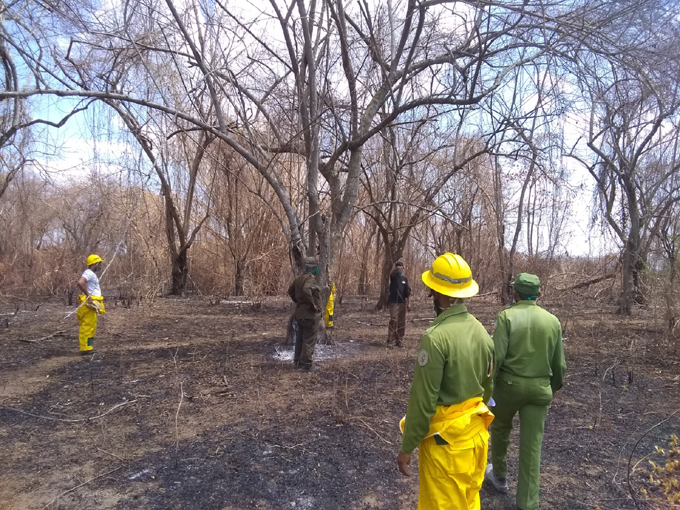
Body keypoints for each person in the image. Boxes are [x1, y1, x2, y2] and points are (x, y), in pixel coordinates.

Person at [397, 253, 494, 510]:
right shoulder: (482, 331)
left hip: (446, 449)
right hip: (476, 441)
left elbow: (423, 402)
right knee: (469, 502)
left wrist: (407, 447)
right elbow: (488, 388)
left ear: (436, 293)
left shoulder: (435, 338)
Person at [485, 273, 567, 510]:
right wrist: (549, 389)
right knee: (532, 445)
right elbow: (559, 365)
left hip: (508, 388)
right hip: (540, 389)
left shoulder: (506, 317)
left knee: (500, 429)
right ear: (539, 294)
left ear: (515, 293)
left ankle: (499, 476)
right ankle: (528, 503)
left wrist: (488, 388)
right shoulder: (553, 321)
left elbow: (497, 358)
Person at [287, 256, 322, 371]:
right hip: (310, 316)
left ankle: (297, 362)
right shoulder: (310, 279)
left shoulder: (298, 279)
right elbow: (307, 290)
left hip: (300, 315)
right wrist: (312, 305)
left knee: (300, 339)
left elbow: (290, 291)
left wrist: (298, 301)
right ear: (313, 268)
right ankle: (306, 365)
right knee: (309, 339)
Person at [76, 254, 106, 355]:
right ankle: (85, 348)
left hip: (92, 305)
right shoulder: (88, 272)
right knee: (87, 327)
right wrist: (89, 297)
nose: (100, 265)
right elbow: (80, 283)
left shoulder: (91, 274)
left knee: (92, 327)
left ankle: (89, 347)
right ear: (94, 264)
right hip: (88, 305)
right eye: (99, 263)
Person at [387, 261, 411, 347]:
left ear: (403, 268)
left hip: (402, 303)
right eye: (398, 267)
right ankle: (390, 340)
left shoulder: (405, 279)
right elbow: (391, 274)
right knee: (394, 320)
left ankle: (399, 339)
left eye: (401, 267)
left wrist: (409, 303)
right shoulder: (393, 277)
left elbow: (408, 292)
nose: (400, 268)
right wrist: (396, 269)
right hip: (394, 302)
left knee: (402, 322)